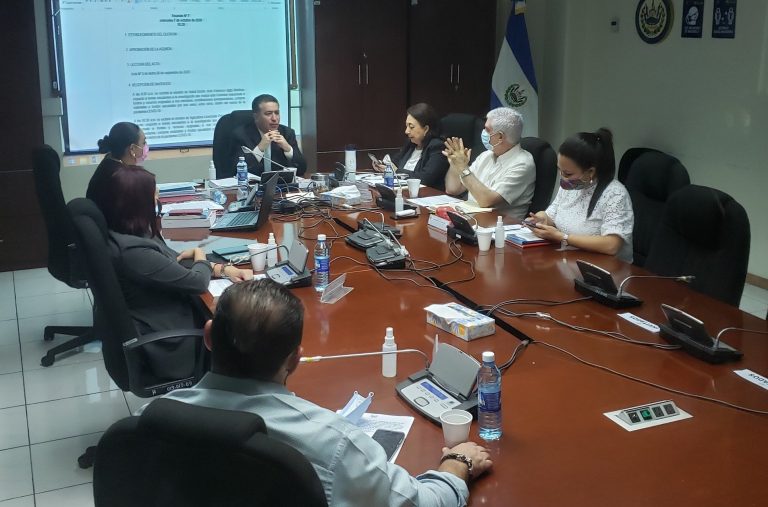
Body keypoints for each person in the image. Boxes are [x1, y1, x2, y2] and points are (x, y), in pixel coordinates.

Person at [152, 279, 493, 506]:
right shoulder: (332, 445)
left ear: (208, 336)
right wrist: (457, 464)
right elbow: (423, 503)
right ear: (295, 360)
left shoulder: (149, 421)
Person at [100, 165, 251, 333]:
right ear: (139, 203)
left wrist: (222, 269)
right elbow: (198, 283)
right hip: (170, 328)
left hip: (169, 308)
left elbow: (173, 262)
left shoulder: (133, 233)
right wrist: (200, 254)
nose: (158, 199)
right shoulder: (134, 251)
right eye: (154, 195)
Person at [527, 128, 634, 263]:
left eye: (568, 173)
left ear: (590, 172)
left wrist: (563, 237)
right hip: (568, 261)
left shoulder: (615, 194)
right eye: (560, 170)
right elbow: (552, 215)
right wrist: (541, 219)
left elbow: (612, 245)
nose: (562, 177)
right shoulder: (571, 186)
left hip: (603, 268)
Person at [443, 107, 535, 220]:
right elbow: (453, 189)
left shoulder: (523, 164)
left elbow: (486, 201)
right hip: (471, 219)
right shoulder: (486, 155)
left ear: (500, 137)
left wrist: (463, 167)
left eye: (487, 129)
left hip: (500, 226)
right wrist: (455, 164)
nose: (483, 132)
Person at [372, 103, 449, 190]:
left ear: (426, 129)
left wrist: (396, 171)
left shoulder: (437, 147)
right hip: (401, 191)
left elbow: (425, 178)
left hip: (425, 194)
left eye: (411, 127)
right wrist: (382, 165)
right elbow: (394, 163)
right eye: (406, 126)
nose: (406, 131)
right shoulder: (411, 144)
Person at [231, 94, 307, 177]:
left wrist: (288, 149)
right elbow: (235, 170)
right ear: (256, 117)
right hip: (253, 184)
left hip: (282, 183)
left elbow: (302, 169)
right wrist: (260, 148)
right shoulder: (241, 135)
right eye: (268, 114)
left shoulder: (287, 133)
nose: (274, 118)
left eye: (277, 113)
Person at [87, 122, 148, 213]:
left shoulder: (109, 162)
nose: (146, 146)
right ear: (132, 149)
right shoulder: (121, 178)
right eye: (143, 143)